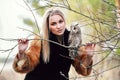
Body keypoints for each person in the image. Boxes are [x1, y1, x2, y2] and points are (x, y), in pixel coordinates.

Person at [13, 7, 96, 80]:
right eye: (53, 24)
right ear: (48, 26)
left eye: (60, 21)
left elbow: (81, 69)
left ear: (64, 21)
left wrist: (89, 56)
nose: (59, 26)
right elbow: (25, 67)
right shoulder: (40, 40)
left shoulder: (72, 40)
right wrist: (21, 52)